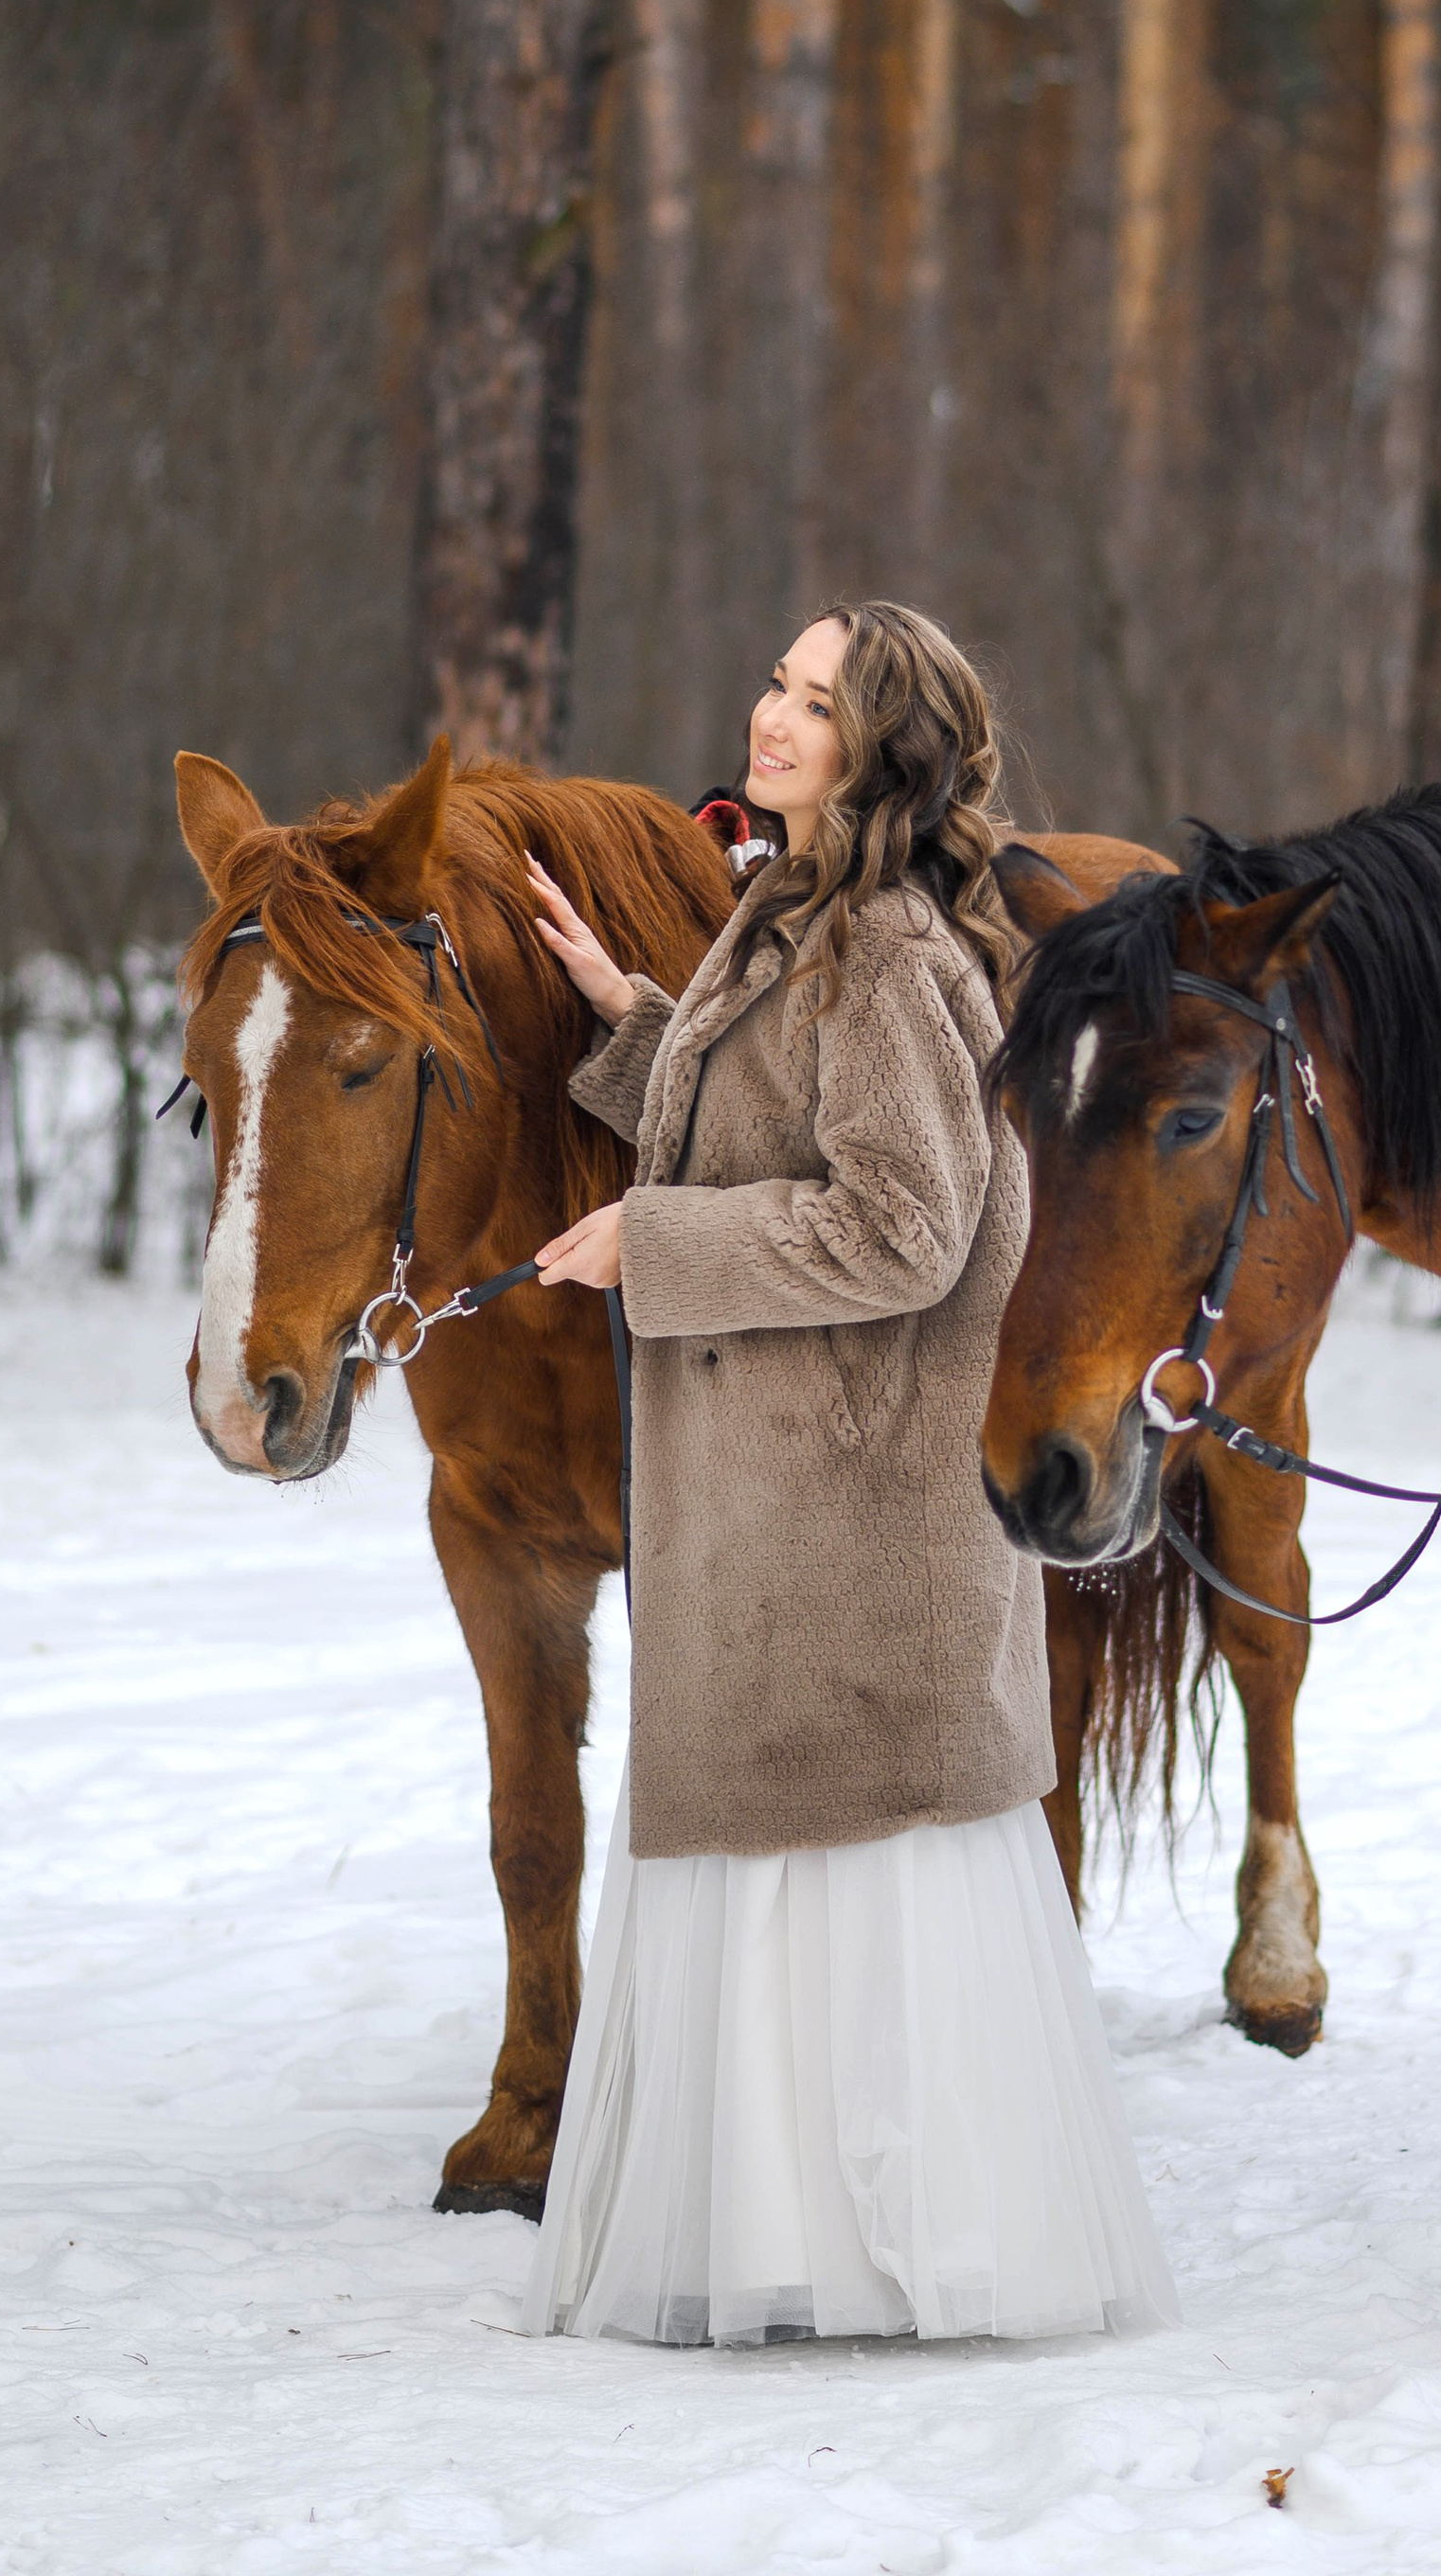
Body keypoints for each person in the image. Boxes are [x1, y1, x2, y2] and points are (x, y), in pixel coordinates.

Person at [512, 599, 1179, 2349]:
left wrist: (645, 1247)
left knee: (846, 1884)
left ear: (883, 750)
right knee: (789, 1879)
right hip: (781, 1512)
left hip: (849, 1517)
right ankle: (796, 2244)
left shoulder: (883, 948)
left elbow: (902, 1225)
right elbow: (777, 1125)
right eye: (777, 684)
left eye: (820, 704)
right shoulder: (794, 913)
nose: (775, 718)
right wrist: (634, 1022)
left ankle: (887, 2252)